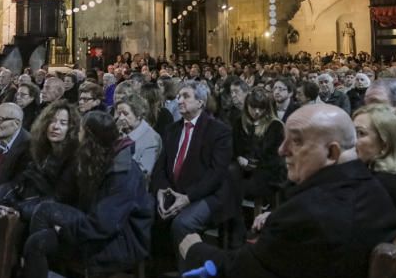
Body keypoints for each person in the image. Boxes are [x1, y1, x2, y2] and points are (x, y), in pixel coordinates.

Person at [146, 105, 396, 278]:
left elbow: (244, 274)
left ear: (332, 152)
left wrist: (195, 251)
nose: (282, 150)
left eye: (297, 141)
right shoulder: (370, 187)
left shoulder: (311, 212)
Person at [7, 111, 153, 278]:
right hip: (95, 228)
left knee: (45, 212)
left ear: (93, 140)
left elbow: (103, 225)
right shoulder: (97, 158)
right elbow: (71, 200)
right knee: (36, 242)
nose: (77, 137)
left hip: (121, 240)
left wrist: (63, 229)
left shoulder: (123, 171)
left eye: (82, 133)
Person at [150, 80, 234, 252]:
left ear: (200, 102)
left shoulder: (218, 131)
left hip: (207, 195)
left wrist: (187, 197)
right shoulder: (172, 129)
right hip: (174, 190)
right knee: (147, 210)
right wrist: (161, 190)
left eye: (186, 96)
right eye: (179, 96)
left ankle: (189, 276)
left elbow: (216, 174)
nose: (179, 100)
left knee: (183, 224)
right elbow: (161, 166)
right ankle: (158, 273)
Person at [0, 99, 80, 217]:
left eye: (63, 123)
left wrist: (18, 209)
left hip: (49, 216)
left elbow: (58, 198)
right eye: (52, 121)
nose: (56, 126)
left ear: (71, 128)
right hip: (28, 207)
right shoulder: (39, 151)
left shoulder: (74, 158)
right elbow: (18, 184)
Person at [234, 86, 285, 201]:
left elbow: (275, 157)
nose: (257, 111)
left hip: (268, 171)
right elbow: (235, 146)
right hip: (244, 167)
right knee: (228, 177)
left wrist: (251, 163)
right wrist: (239, 157)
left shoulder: (275, 125)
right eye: (253, 107)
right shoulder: (239, 122)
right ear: (247, 106)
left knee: (235, 187)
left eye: (261, 108)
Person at [115, 94, 162, 178]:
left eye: (125, 114)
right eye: (119, 114)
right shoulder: (117, 131)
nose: (121, 118)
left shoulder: (152, 139)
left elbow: (144, 173)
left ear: (138, 114)